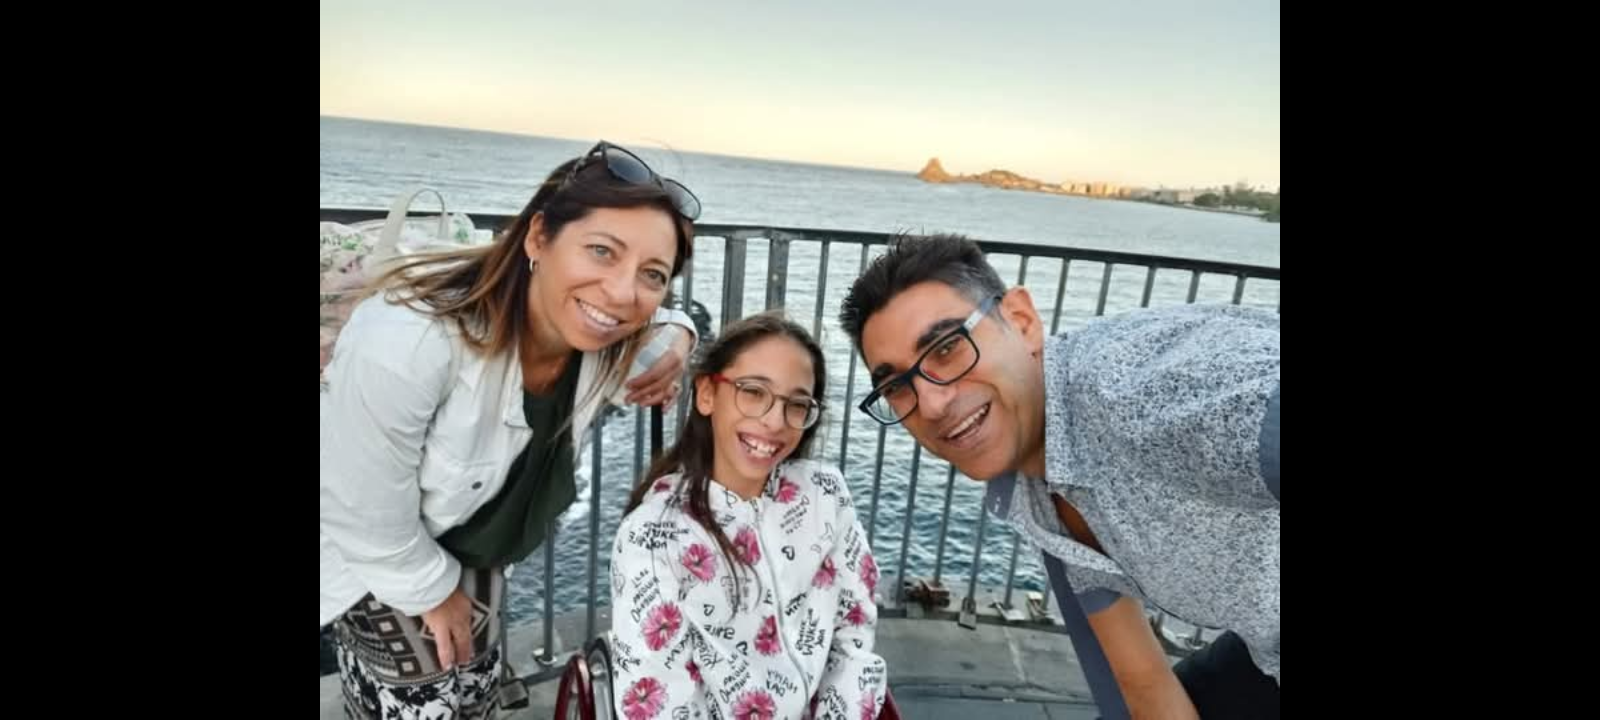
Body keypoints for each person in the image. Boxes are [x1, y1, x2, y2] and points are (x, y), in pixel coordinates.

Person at [321, 141, 704, 720]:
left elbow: (656, 322)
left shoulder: (597, 336)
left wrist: (679, 332)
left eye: (652, 274)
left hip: (475, 543)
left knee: (473, 692)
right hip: (379, 555)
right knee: (429, 700)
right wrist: (432, 592)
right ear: (538, 236)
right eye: (602, 251)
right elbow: (359, 508)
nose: (624, 292)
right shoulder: (408, 339)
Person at [838, 233, 1279, 719]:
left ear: (1022, 321)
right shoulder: (1034, 479)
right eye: (897, 386)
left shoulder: (1135, 392)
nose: (932, 403)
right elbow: (1142, 679)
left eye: (947, 348)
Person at [610, 312, 888, 720]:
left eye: (796, 404)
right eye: (754, 392)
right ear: (707, 394)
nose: (774, 421)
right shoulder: (652, 536)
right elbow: (657, 704)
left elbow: (854, 632)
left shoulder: (825, 495)